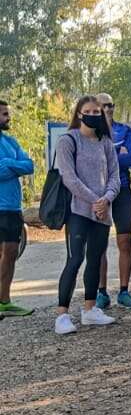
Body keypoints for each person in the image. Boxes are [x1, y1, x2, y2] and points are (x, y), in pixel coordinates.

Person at [53, 95, 121, 336]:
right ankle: (62, 315)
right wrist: (94, 200)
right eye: (88, 111)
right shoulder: (68, 140)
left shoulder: (105, 142)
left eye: (96, 111)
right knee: (75, 259)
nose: (92, 115)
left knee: (95, 258)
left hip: (102, 211)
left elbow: (115, 176)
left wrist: (106, 199)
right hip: (78, 210)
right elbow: (69, 178)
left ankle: (90, 308)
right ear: (79, 114)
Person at [93, 95, 131, 309]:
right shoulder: (90, 132)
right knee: (99, 243)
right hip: (98, 193)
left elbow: (130, 159)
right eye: (104, 106)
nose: (109, 109)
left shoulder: (125, 130)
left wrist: (106, 155)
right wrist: (116, 151)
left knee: (125, 241)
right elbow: (90, 162)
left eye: (111, 105)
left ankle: (124, 291)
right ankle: (101, 292)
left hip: (122, 189)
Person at [0, 98, 35, 318]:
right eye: (4, 114)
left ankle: (5, 300)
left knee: (11, 252)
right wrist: (14, 167)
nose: (8, 117)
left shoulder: (11, 142)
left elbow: (29, 165)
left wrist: (7, 164)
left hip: (12, 207)